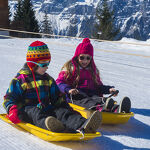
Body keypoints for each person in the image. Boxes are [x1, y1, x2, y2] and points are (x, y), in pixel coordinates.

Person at [3, 41, 102, 134]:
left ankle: (83, 124)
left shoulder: (48, 79)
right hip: (25, 111)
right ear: (33, 64)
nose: (47, 67)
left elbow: (58, 99)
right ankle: (52, 126)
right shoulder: (21, 80)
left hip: (45, 109)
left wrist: (68, 110)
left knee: (60, 111)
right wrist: (12, 109)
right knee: (35, 112)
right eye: (44, 64)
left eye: (48, 63)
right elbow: (9, 98)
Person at [56, 38, 131, 113]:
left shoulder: (92, 71)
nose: (85, 61)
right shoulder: (70, 69)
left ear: (91, 59)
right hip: (75, 95)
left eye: (88, 58)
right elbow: (59, 82)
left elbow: (98, 86)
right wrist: (68, 89)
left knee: (98, 98)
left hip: (91, 94)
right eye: (82, 57)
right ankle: (100, 108)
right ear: (77, 57)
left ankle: (117, 109)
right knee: (85, 99)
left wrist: (108, 90)